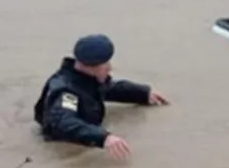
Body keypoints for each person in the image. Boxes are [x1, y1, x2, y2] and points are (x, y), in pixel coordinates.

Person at [33, 34, 169, 160]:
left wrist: (143, 93)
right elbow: (64, 122)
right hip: (64, 147)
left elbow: (111, 89)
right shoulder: (66, 92)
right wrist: (104, 138)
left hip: (90, 130)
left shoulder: (87, 80)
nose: (110, 68)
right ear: (91, 67)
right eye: (105, 64)